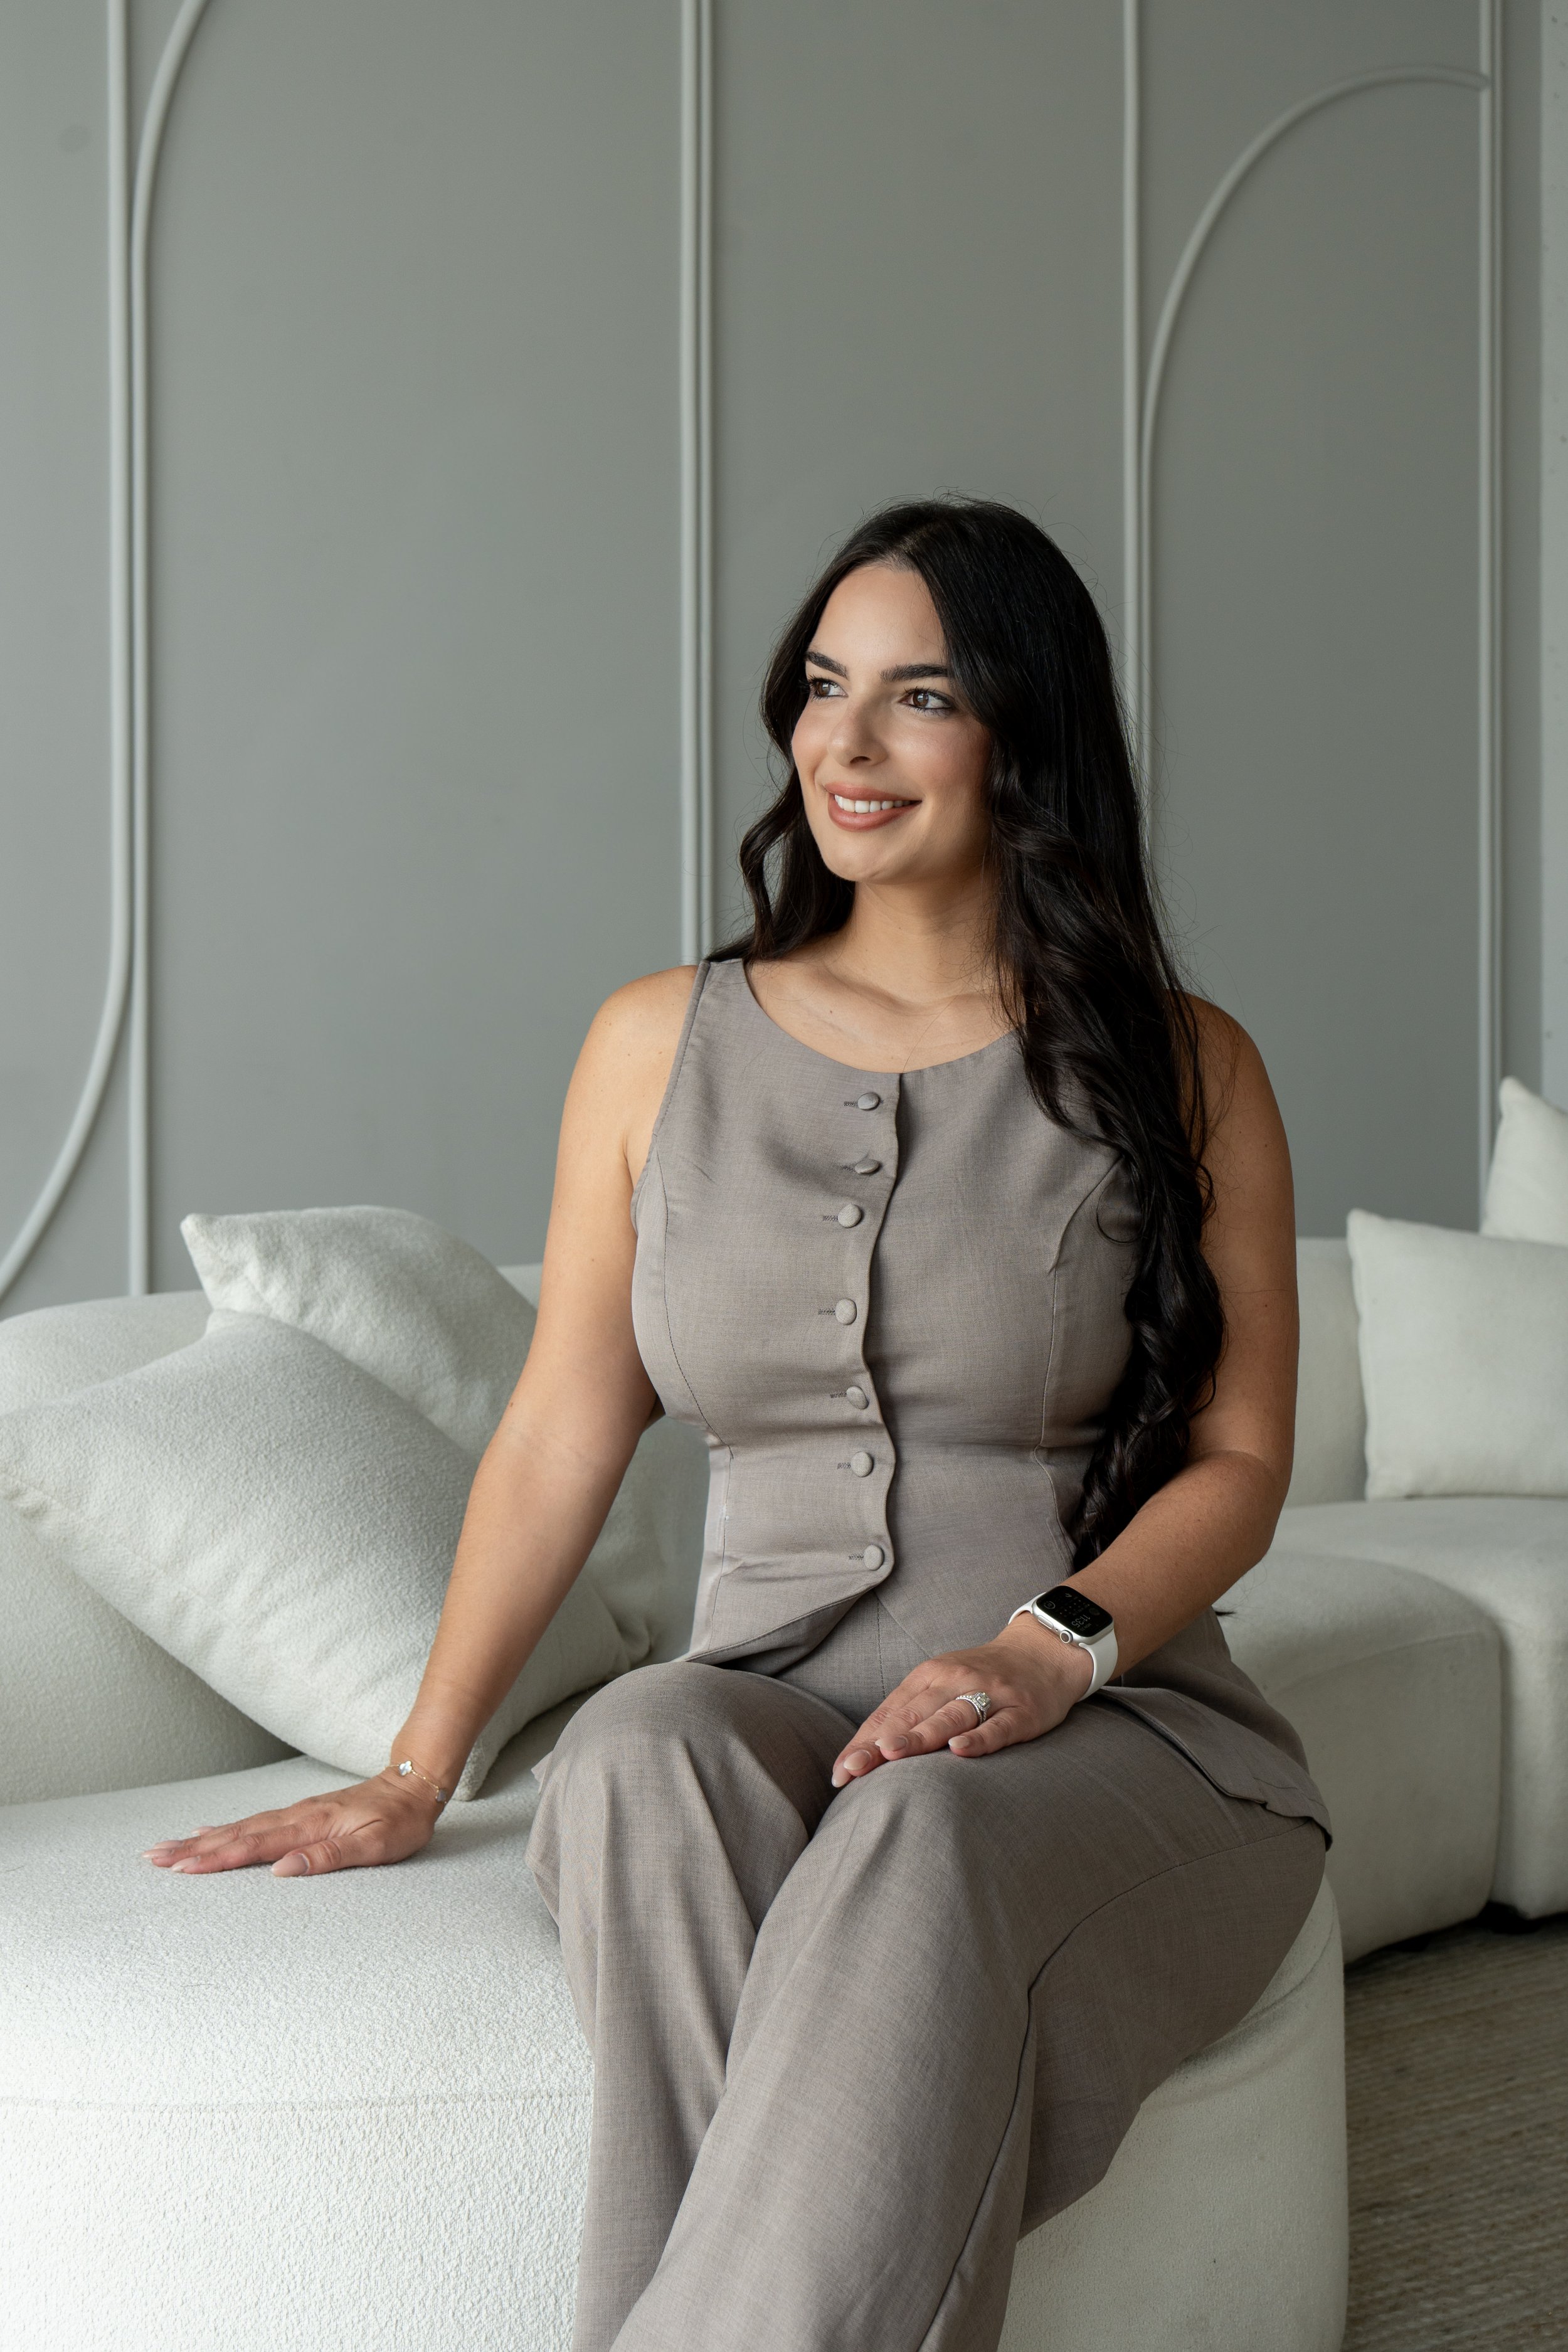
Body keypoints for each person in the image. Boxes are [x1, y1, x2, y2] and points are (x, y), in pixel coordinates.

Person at [144, 497, 1327, 2352]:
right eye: (821, 688)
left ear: (1024, 735)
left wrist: (1047, 1654)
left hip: (1115, 1716)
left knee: (916, 1835)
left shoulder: (1188, 1063)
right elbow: (562, 1424)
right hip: (769, 1689)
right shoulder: (653, 1045)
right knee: (635, 1753)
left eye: (917, 695)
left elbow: (1240, 1464)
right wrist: (414, 1770)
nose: (843, 747)